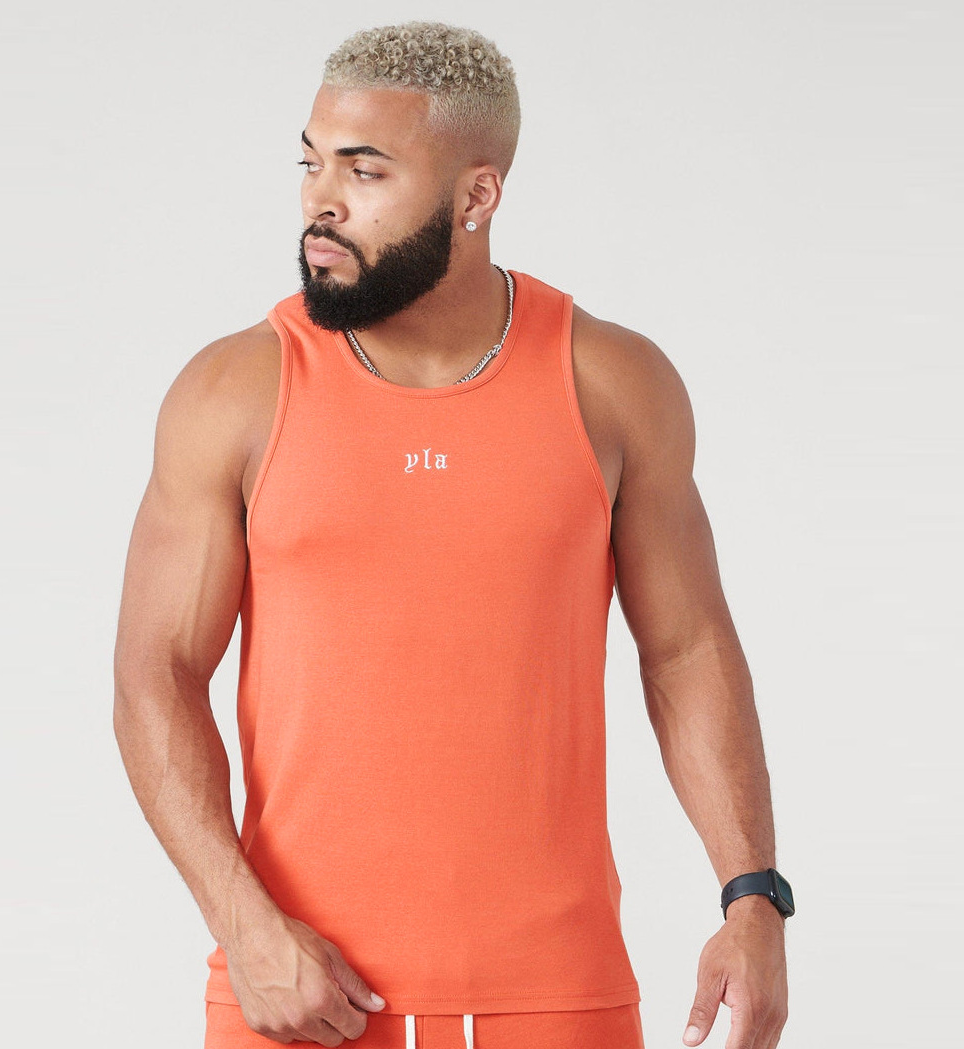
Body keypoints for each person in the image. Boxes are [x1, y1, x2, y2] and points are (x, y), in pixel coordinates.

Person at [112, 20, 791, 1049]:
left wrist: (751, 895)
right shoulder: (234, 389)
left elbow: (686, 648)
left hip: (558, 994)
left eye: (364, 170)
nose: (320, 200)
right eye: (310, 162)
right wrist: (242, 926)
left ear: (476, 196)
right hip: (299, 993)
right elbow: (154, 671)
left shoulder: (611, 383)